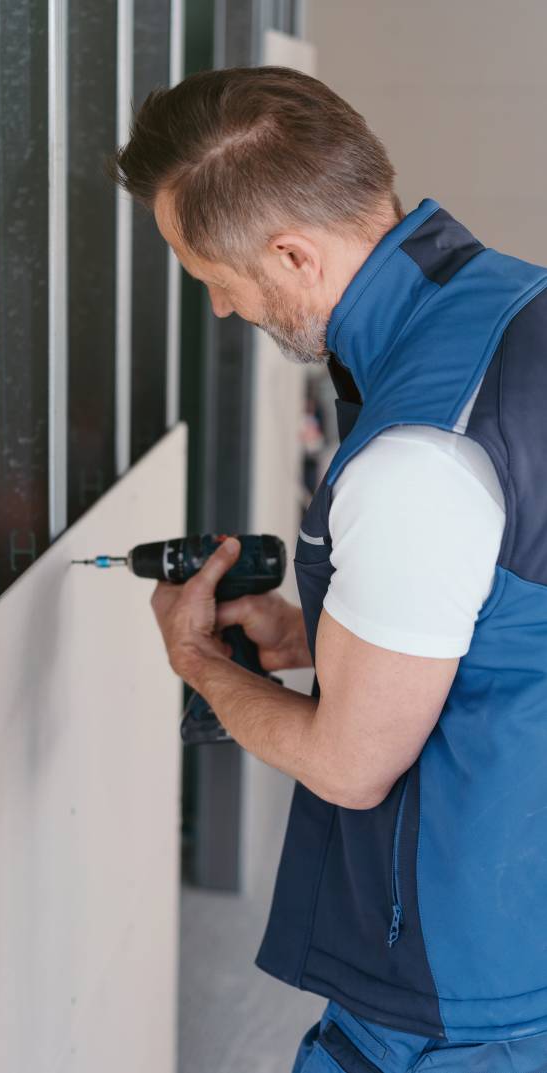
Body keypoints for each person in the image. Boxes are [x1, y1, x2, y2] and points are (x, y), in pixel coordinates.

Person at [111, 66, 547, 1072]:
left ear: (292, 252)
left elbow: (352, 766)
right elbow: (505, 598)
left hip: (457, 977)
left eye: (210, 275)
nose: (219, 309)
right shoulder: (512, 304)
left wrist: (202, 665)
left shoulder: (417, 457)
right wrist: (318, 634)